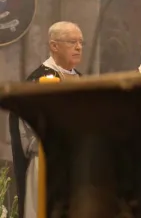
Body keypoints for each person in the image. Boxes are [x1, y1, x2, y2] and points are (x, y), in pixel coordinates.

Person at [9, 21, 84, 218]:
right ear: (54, 46)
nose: (78, 47)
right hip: (46, 163)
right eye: (72, 42)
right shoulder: (37, 81)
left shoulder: (83, 80)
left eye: (80, 42)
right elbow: (27, 130)